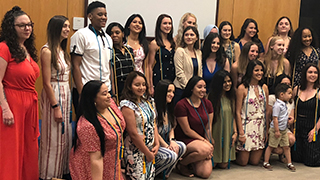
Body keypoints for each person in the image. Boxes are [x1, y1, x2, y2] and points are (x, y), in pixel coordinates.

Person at [0, 6, 39, 180]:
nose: (27, 28)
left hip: (29, 104)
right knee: (11, 150)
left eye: (29, 24)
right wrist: (5, 108)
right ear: (11, 27)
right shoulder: (4, 48)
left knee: (28, 149)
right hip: (12, 103)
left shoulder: (26, 49)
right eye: (21, 25)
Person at [69, 80, 125, 180]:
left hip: (112, 161)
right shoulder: (87, 126)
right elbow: (96, 159)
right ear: (93, 99)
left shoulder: (110, 104)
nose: (109, 96)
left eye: (108, 92)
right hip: (94, 167)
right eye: (104, 94)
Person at [39, 15, 72, 180]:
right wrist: (55, 106)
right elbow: (45, 82)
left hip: (65, 92)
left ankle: (61, 172)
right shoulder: (47, 50)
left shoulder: (62, 49)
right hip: (54, 93)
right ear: (55, 28)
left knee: (63, 135)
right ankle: (48, 174)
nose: (67, 29)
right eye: (64, 26)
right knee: (52, 136)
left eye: (68, 26)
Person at [70, 1, 112, 112]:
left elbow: (108, 65)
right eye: (100, 14)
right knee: (85, 127)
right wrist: (81, 93)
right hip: (86, 91)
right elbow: (75, 65)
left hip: (105, 90)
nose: (104, 17)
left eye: (105, 15)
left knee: (103, 126)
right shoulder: (80, 35)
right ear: (90, 16)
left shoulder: (108, 38)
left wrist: (111, 90)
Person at [120, 71, 159, 179]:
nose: (141, 87)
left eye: (143, 84)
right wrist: (146, 152)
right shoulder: (127, 105)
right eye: (137, 85)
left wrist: (157, 144)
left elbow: (153, 123)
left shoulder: (149, 101)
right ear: (129, 86)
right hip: (136, 150)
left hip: (150, 148)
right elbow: (133, 133)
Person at [174, 76, 214, 178]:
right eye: (199, 87)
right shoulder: (181, 105)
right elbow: (187, 131)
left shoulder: (207, 104)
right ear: (192, 88)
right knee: (204, 150)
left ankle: (190, 161)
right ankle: (182, 164)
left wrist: (209, 143)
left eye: (204, 87)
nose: (203, 90)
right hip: (185, 139)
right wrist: (204, 143)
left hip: (201, 141)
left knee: (205, 174)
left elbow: (208, 127)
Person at [236, 60, 269, 166]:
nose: (259, 73)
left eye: (261, 70)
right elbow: (237, 111)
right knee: (243, 162)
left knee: (255, 162)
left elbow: (267, 109)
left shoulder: (264, 88)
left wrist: (266, 129)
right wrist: (241, 133)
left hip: (260, 126)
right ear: (250, 71)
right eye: (256, 70)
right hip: (247, 125)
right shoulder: (242, 88)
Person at [154, 79, 186, 178]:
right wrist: (166, 146)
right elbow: (154, 131)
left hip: (166, 141)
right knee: (171, 155)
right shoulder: (153, 108)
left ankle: (165, 174)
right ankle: (153, 174)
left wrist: (172, 141)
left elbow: (171, 126)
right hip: (156, 144)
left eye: (173, 92)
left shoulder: (169, 107)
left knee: (181, 146)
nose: (171, 94)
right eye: (169, 91)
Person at [292, 63, 320, 167]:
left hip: (311, 127)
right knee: (296, 158)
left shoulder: (319, 92)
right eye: (310, 72)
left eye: (315, 72)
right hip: (298, 127)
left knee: (311, 161)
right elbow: (291, 107)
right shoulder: (296, 89)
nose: (313, 75)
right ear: (305, 74)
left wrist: (315, 129)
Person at [207, 70, 237, 169]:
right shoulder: (211, 97)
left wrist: (235, 132)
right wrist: (210, 136)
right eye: (224, 82)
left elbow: (233, 115)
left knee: (224, 165)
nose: (227, 84)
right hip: (216, 131)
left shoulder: (231, 97)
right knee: (213, 164)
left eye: (229, 81)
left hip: (228, 130)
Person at [263, 83, 296, 171]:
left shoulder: (284, 104)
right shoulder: (277, 105)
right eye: (289, 93)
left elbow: (282, 116)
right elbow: (275, 118)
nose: (290, 95)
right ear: (281, 94)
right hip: (276, 129)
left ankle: (289, 163)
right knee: (271, 146)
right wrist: (277, 131)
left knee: (286, 146)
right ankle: (266, 161)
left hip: (283, 129)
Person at [106, 22, 135, 105]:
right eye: (111, 33)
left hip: (130, 86)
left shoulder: (129, 50)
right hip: (118, 86)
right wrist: (114, 94)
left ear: (123, 34)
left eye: (117, 33)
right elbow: (110, 75)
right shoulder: (109, 52)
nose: (114, 35)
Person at [147, 14, 176, 95]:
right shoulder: (154, 43)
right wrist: (150, 86)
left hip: (172, 78)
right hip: (159, 78)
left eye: (170, 23)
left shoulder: (173, 42)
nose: (168, 26)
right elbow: (149, 66)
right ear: (159, 25)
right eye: (165, 23)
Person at [173, 26, 202, 103]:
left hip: (195, 91)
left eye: (192, 35)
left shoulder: (199, 53)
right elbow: (179, 73)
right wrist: (189, 89)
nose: (189, 37)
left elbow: (200, 72)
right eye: (186, 35)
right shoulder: (180, 51)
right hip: (181, 89)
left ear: (196, 38)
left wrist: (199, 87)